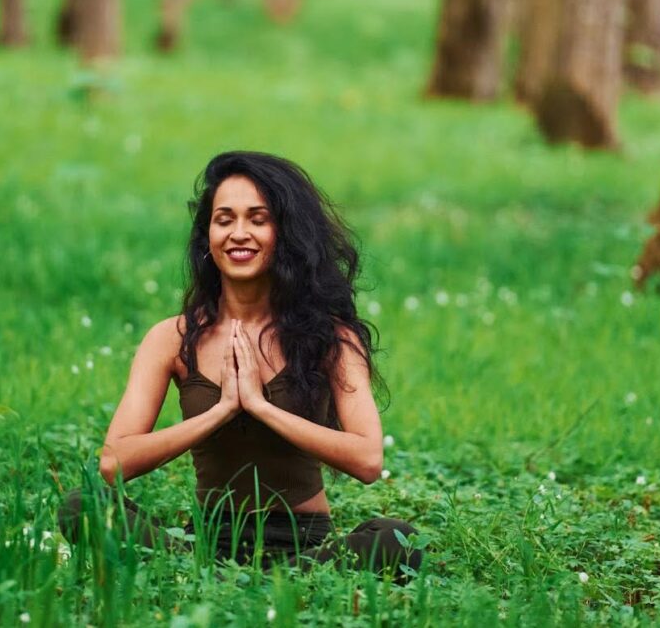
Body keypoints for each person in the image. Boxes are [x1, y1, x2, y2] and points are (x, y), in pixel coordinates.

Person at [59, 151, 422, 578]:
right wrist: (220, 411)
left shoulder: (330, 338)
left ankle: (280, 579)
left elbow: (367, 460)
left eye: (258, 218)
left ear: (285, 233)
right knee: (81, 505)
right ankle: (211, 573)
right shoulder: (171, 338)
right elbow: (113, 463)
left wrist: (261, 406)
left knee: (398, 540)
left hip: (304, 544)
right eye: (224, 219)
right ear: (207, 236)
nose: (239, 233)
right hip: (204, 541)